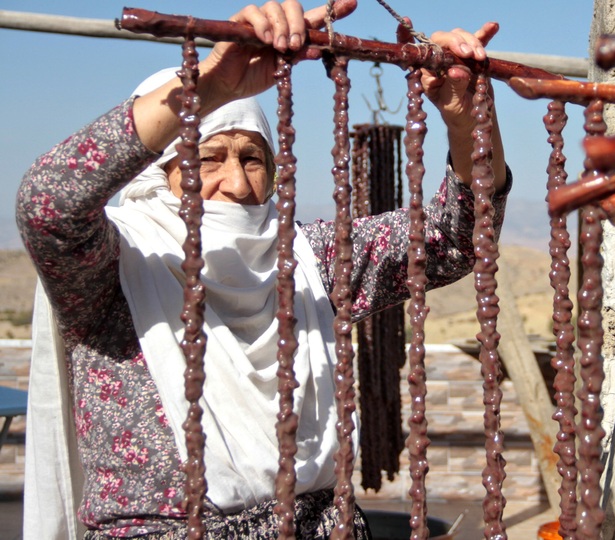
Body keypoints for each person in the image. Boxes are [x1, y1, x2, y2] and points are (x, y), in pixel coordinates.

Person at [16, 1, 510, 538]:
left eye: (252, 159)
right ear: (162, 176)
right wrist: (212, 85)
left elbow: (450, 241)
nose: (236, 183)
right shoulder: (115, 264)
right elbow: (49, 205)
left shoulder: (308, 257)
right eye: (207, 159)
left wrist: (468, 120)